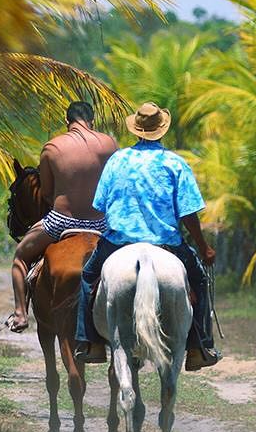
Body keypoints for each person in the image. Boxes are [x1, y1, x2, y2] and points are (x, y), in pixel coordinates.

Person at [73, 102, 220, 371]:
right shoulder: (175, 163)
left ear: (137, 129)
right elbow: (188, 213)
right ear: (161, 129)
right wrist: (203, 247)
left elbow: (101, 205)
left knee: (87, 276)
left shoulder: (117, 160)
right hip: (167, 244)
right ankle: (199, 347)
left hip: (118, 241)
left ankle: (90, 342)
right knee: (198, 280)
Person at [7, 101, 118, 332]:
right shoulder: (110, 144)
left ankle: (20, 314)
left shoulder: (52, 147)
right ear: (92, 121)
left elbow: (47, 193)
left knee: (20, 257)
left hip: (61, 222)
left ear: (67, 121)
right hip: (102, 223)